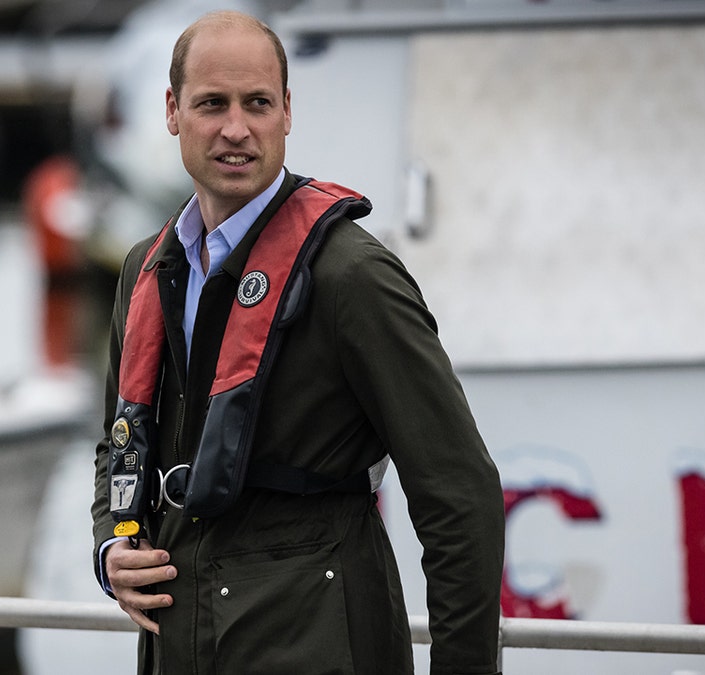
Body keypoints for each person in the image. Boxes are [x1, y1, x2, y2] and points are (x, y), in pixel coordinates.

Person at [91, 10, 505, 675]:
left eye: (257, 103)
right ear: (171, 111)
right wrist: (111, 547)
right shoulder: (146, 271)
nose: (236, 128)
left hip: (319, 646)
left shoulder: (354, 277)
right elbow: (118, 447)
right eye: (211, 104)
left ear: (287, 111)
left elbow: (461, 497)